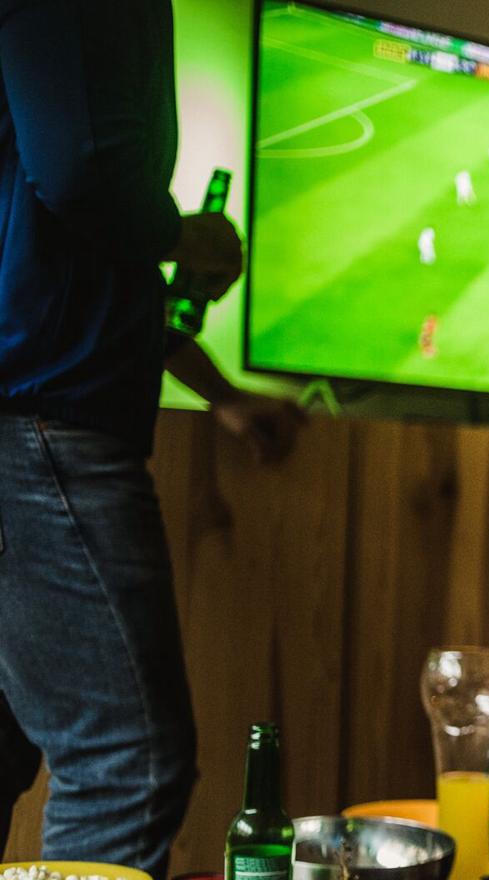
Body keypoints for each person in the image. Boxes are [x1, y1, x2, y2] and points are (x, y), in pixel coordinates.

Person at [1, 2, 299, 873]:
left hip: (33, 421)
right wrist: (183, 232)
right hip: (48, 431)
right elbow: (81, 172)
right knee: (128, 767)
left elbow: (64, 260)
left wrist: (223, 396)